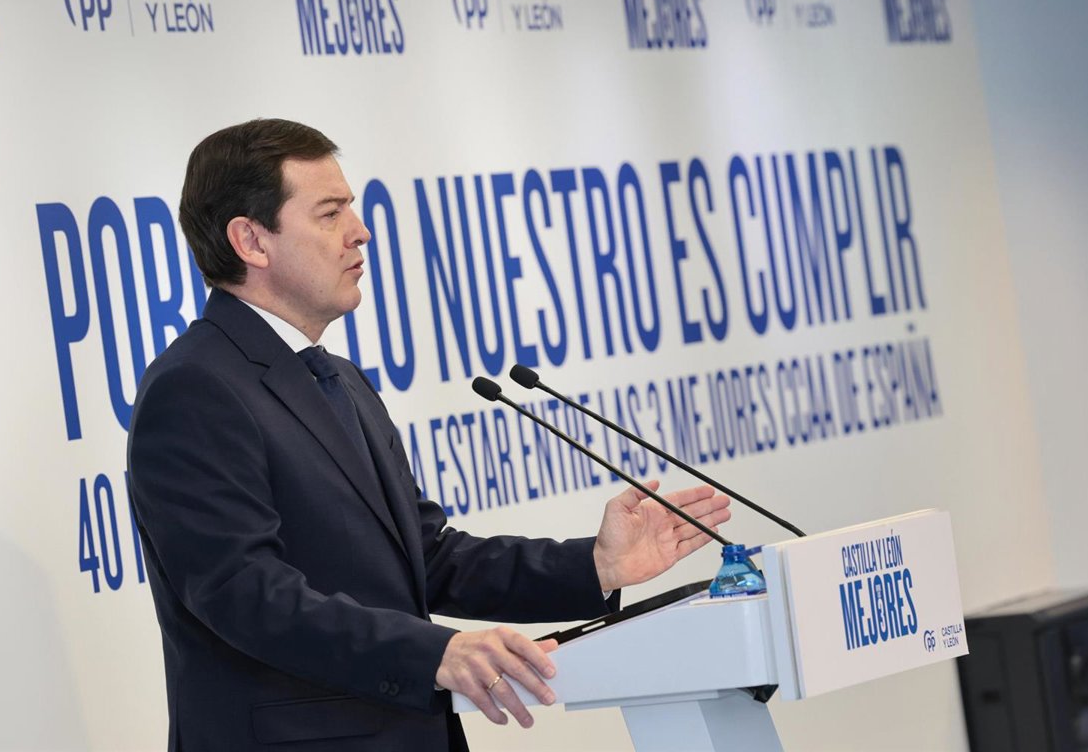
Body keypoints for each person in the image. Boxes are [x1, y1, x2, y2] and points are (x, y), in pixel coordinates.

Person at [126, 118, 731, 751]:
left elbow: (426, 557)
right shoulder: (196, 388)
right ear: (251, 240)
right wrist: (433, 651)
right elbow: (243, 592)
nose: (360, 231)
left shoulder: (337, 378)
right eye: (330, 213)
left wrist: (595, 565)